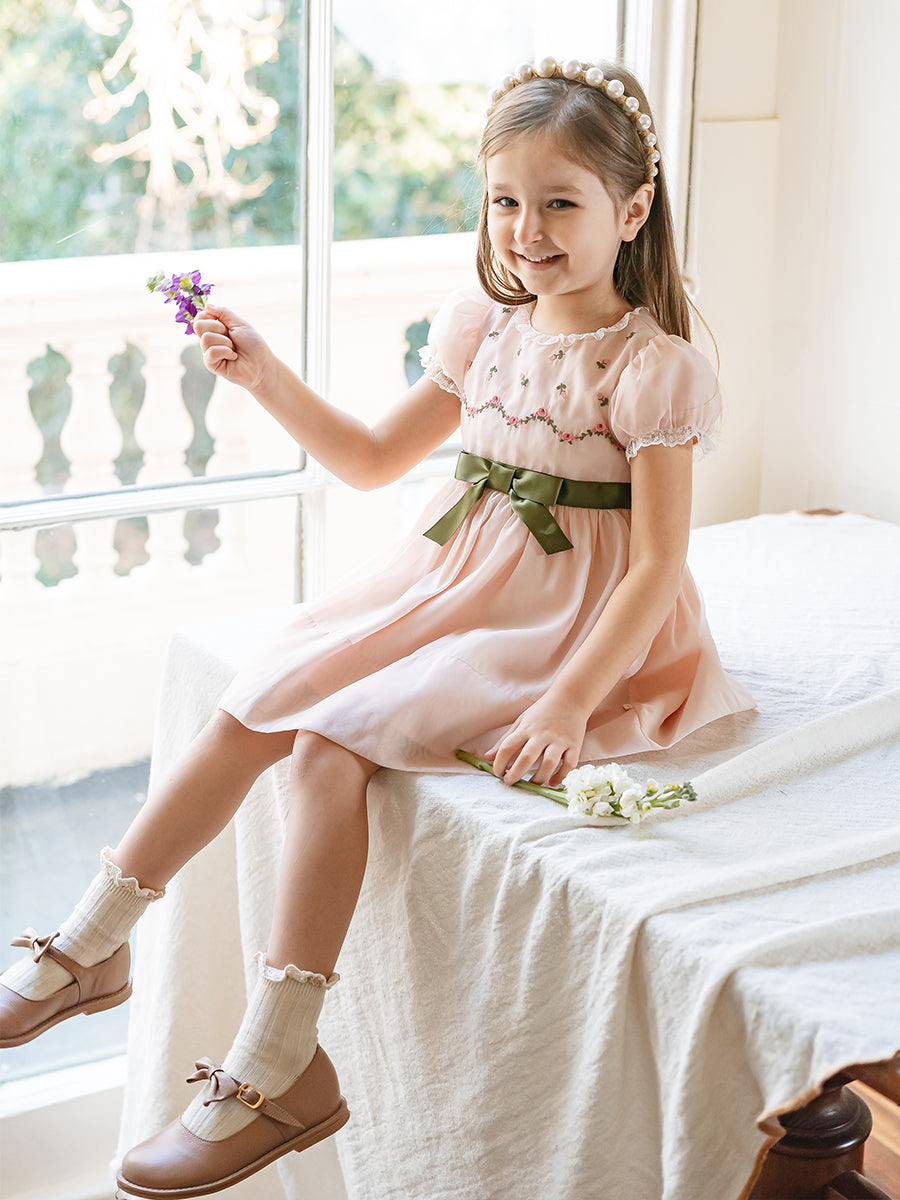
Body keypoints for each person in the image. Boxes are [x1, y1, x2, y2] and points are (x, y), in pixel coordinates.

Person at [0, 58, 754, 1198]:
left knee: (328, 745)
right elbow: (366, 460)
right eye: (505, 200)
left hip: (571, 618)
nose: (527, 231)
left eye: (561, 203)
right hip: (454, 578)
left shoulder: (653, 370)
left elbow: (656, 567)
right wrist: (266, 377)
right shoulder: (482, 330)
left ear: (632, 210)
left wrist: (566, 704)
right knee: (261, 691)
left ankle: (278, 1061)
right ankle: (90, 945)